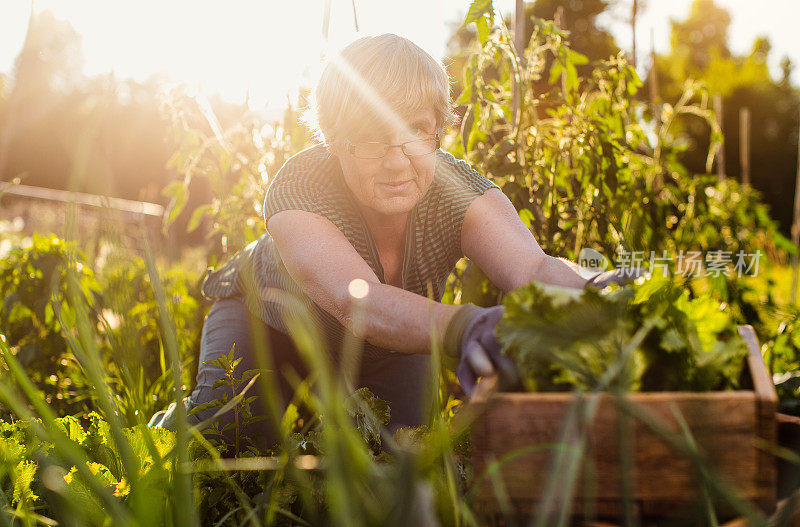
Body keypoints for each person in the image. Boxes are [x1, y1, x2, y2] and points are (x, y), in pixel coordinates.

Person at [149, 33, 632, 450]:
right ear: (334, 139)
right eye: (371, 137)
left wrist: (599, 288)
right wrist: (466, 326)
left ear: (439, 131)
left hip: (393, 341)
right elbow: (357, 301)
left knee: (399, 453)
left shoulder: (459, 192)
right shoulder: (300, 186)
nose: (398, 162)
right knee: (226, 439)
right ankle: (171, 426)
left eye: (416, 132)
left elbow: (531, 270)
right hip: (269, 322)